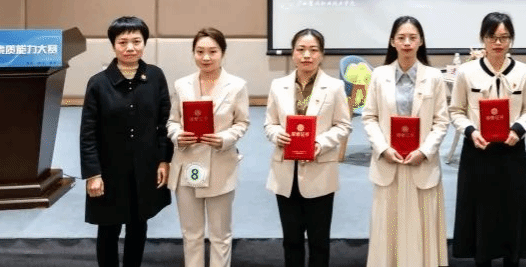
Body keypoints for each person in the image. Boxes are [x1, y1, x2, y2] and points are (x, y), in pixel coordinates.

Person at [80, 16, 173, 267]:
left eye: (136, 41)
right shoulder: (98, 83)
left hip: (145, 167)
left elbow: (164, 123)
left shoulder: (155, 76)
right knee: (108, 228)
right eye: (123, 42)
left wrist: (164, 160)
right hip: (109, 171)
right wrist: (93, 174)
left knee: (138, 226)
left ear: (144, 43)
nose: (130, 48)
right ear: (113, 45)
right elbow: (88, 133)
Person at [450, 12, 526, 267]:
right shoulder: (466, 72)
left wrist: (518, 129)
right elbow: (456, 110)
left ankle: (512, 259)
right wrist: (471, 132)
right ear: (483, 38)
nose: (498, 43)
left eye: (504, 37)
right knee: (481, 212)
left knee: (512, 210)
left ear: (511, 40)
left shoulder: (523, 72)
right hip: (478, 151)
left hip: (512, 151)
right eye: (492, 37)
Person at [363, 16, 450, 267]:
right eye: (401, 38)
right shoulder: (379, 75)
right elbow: (369, 117)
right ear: (392, 42)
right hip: (388, 162)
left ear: (421, 41)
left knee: (421, 228)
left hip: (421, 163)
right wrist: (383, 148)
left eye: (413, 38)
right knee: (388, 227)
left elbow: (441, 121)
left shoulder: (434, 76)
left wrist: (424, 151)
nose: (407, 43)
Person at [264, 28, 352, 267]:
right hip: (286, 172)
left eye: (313, 50)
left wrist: (320, 143)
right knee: (291, 240)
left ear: (321, 54)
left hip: (320, 170)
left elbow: (343, 125)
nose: (306, 55)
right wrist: (277, 134)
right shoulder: (278, 85)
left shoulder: (334, 87)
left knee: (319, 242)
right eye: (301, 50)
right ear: (293, 53)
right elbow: (269, 123)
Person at [167, 27, 250, 267]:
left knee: (220, 235)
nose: (206, 57)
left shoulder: (237, 86)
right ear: (193, 53)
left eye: (212, 51)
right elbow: (172, 121)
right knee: (191, 234)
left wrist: (225, 138)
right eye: (200, 51)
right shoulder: (181, 85)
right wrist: (178, 135)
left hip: (220, 164)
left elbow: (242, 122)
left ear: (223, 53)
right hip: (186, 165)